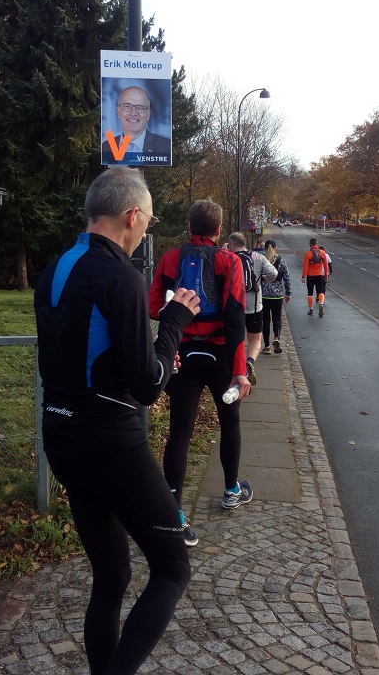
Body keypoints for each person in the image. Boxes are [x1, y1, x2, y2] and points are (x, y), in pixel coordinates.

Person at [34, 168, 200, 675]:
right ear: (132, 216)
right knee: (172, 569)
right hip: (110, 440)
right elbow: (150, 383)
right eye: (148, 220)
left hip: (60, 435)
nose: (147, 229)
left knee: (112, 574)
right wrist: (173, 321)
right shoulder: (122, 277)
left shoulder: (58, 265)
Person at [150, 199, 253, 545]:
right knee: (231, 421)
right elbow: (236, 316)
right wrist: (241, 372)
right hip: (221, 355)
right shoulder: (229, 261)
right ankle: (230, 490)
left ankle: (174, 514)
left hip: (182, 354)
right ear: (218, 229)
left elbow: (154, 307)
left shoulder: (170, 259)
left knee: (180, 431)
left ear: (189, 226)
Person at [227, 231, 277, 385]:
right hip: (255, 306)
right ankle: (249, 362)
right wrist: (264, 280)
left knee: (237, 339)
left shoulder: (228, 257)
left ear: (232, 245)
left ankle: (238, 369)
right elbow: (274, 273)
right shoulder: (258, 257)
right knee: (255, 340)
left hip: (234, 307)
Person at [101, 85, 171, 165]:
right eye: (127, 106)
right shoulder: (106, 147)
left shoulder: (165, 147)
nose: (133, 113)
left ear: (148, 115)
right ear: (118, 111)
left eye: (140, 108)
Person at [259, 239, 291, 354]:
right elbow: (286, 277)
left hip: (264, 295)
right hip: (277, 295)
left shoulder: (261, 260)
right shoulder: (281, 261)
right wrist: (288, 292)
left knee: (265, 320)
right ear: (275, 248)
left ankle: (267, 346)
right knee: (277, 319)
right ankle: (276, 337)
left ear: (264, 248)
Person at [300, 237, 330, 317]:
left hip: (310, 276)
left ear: (310, 244)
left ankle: (311, 309)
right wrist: (326, 274)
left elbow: (305, 266)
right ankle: (321, 303)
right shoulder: (322, 253)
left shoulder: (308, 254)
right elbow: (325, 265)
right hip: (320, 275)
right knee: (320, 291)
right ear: (317, 244)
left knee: (310, 293)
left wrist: (304, 276)